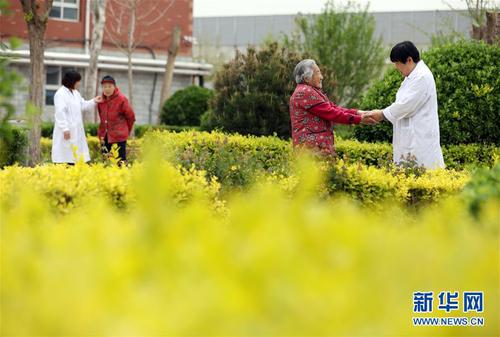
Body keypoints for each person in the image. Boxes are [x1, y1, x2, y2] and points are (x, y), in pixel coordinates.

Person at [366, 41, 445, 169]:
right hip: (411, 138)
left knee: (422, 175)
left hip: (420, 140)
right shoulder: (412, 77)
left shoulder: (422, 77)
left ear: (409, 60)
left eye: (397, 63)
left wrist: (382, 114)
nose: (396, 67)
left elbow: (405, 106)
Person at [289, 59, 376, 155]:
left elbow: (333, 108)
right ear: (306, 78)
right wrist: (359, 119)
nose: (321, 77)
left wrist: (357, 112)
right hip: (311, 152)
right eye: (318, 73)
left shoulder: (311, 90)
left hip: (317, 149)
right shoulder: (305, 92)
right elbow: (332, 113)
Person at [52, 70, 103, 164]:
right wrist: (65, 129)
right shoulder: (60, 94)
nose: (79, 83)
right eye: (78, 81)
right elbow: (60, 113)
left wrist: (94, 101)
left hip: (76, 129)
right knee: (65, 156)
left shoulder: (76, 93)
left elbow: (82, 105)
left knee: (75, 156)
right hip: (66, 131)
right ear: (72, 81)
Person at [97, 75, 135, 164]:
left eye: (109, 86)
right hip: (104, 136)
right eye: (104, 87)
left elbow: (131, 117)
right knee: (106, 162)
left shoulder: (122, 99)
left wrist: (125, 131)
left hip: (119, 137)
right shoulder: (101, 100)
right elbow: (101, 118)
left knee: (120, 162)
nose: (107, 89)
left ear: (114, 87)